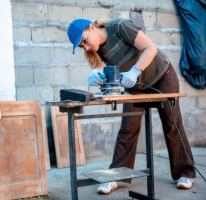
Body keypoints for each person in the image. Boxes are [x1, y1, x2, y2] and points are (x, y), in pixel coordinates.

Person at [67, 18, 196, 195]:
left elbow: (151, 48)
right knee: (128, 127)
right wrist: (95, 76)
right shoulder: (94, 51)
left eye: (85, 41)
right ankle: (116, 176)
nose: (86, 47)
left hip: (162, 76)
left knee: (171, 123)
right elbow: (103, 74)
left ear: (92, 27)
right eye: (82, 46)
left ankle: (185, 173)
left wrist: (135, 71)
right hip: (136, 87)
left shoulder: (120, 27)